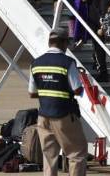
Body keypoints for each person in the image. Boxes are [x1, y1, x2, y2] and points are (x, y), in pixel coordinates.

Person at [29, 28, 87, 176]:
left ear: (50, 43)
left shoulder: (36, 63)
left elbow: (32, 92)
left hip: (43, 116)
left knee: (49, 157)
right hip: (64, 115)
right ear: (63, 43)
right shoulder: (67, 62)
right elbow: (77, 90)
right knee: (76, 154)